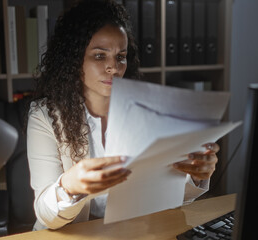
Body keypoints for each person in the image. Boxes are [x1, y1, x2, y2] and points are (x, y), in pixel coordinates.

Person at [26, 0, 219, 231]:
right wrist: (70, 186)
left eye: (120, 56)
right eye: (100, 56)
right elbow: (47, 217)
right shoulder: (44, 116)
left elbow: (167, 199)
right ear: (74, 59)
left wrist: (195, 174)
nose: (113, 68)